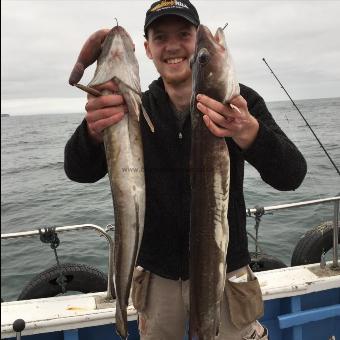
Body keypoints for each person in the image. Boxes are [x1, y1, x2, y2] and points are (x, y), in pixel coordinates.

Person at [64, 0, 307, 339]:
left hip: (225, 273)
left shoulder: (239, 102)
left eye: (184, 34)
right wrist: (92, 130)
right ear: (147, 48)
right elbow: (78, 170)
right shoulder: (133, 105)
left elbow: (292, 175)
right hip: (158, 281)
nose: (173, 45)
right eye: (161, 37)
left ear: (196, 41)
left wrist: (249, 132)